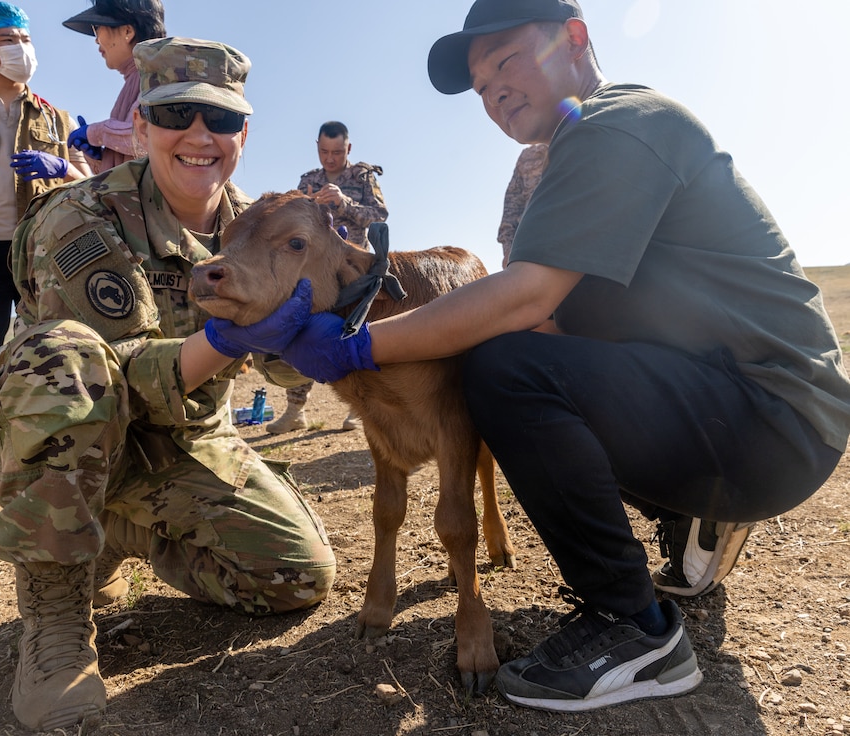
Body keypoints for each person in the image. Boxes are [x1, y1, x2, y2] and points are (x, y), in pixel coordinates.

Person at [214, 0, 850, 714]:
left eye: (507, 62)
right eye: (482, 87)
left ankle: (633, 626)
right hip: (745, 411)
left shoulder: (619, 124)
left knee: (502, 368)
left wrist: (357, 346)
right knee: (537, 358)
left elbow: (522, 301)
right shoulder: (577, 149)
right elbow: (556, 317)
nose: (495, 93)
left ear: (574, 39)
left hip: (771, 419)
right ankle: (694, 513)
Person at [0, 36, 335, 730]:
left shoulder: (265, 229)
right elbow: (99, 372)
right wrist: (228, 337)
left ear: (243, 134)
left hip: (186, 438)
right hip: (64, 426)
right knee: (67, 357)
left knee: (296, 577)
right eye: (177, 115)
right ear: (142, 126)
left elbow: (290, 368)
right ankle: (55, 619)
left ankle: (113, 529)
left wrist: (326, 312)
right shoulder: (80, 217)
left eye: (221, 120)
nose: (201, 136)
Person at [0, 1, 91, 510]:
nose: (22, 49)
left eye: (25, 38)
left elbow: (91, 184)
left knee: (47, 356)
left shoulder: (54, 116)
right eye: (7, 40)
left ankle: (38, 464)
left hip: (36, 260)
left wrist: (61, 163)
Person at [264, 120, 388, 435]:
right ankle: (295, 410)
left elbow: (380, 216)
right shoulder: (309, 179)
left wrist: (343, 202)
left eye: (336, 152)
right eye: (323, 151)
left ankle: (356, 410)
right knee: (302, 331)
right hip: (314, 270)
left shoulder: (362, 176)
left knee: (355, 336)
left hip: (353, 271)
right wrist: (307, 206)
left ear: (348, 149)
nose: (329, 158)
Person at [62, 0, 166, 172]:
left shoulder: (157, 76)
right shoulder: (140, 77)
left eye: (97, 27)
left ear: (127, 31)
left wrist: (97, 133)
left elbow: (145, 135)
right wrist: (103, 157)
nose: (96, 40)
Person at [497, 142, 547, 267]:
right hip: (530, 252)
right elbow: (512, 206)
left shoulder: (584, 140)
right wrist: (509, 249)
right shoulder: (528, 156)